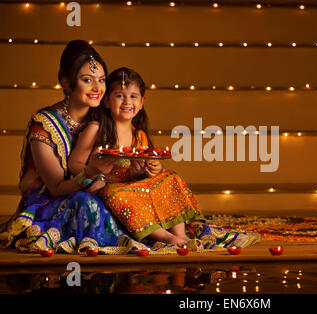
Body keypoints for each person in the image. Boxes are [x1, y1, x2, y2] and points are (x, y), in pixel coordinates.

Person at [0, 40, 139, 254]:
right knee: (85, 201)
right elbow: (55, 187)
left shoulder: (104, 117)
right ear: (66, 83)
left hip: (96, 193)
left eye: (101, 80)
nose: (97, 88)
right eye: (87, 80)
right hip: (49, 202)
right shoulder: (44, 124)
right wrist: (92, 173)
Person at [69, 67, 205, 248]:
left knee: (171, 178)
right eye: (119, 96)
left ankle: (180, 234)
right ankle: (166, 238)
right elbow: (74, 164)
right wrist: (96, 174)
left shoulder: (140, 135)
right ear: (107, 101)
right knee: (115, 194)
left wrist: (153, 170)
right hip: (109, 189)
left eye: (133, 96)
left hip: (134, 187)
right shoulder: (96, 129)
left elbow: (145, 170)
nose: (127, 102)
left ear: (141, 102)